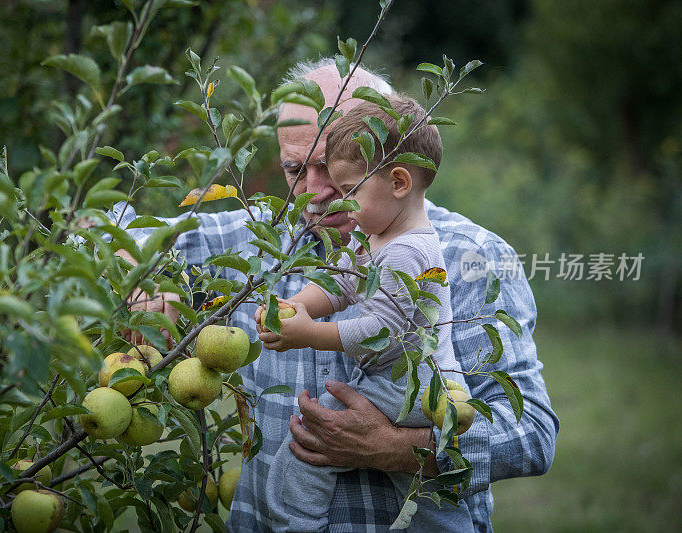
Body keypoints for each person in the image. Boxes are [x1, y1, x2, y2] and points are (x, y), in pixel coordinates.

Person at [113, 58, 559, 531]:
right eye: (295, 169)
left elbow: (531, 433)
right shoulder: (260, 243)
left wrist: (394, 448)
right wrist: (136, 272)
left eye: (332, 167)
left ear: (394, 163)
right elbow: (107, 232)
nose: (314, 192)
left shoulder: (474, 259)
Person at [256, 93, 473, 531]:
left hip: (415, 382)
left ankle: (295, 522)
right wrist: (297, 305)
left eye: (352, 190)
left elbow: (381, 333)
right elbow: (340, 284)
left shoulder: (409, 251)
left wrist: (308, 334)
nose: (343, 203)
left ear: (398, 183)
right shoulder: (377, 236)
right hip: (396, 380)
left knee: (309, 445)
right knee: (420, 491)